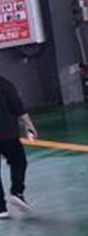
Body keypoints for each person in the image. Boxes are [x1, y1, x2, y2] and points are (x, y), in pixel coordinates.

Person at [0, 75, 36, 220]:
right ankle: (17, 191)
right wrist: (30, 126)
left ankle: (1, 209)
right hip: (7, 133)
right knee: (19, 161)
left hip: (7, 132)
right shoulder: (4, 84)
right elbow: (18, 108)